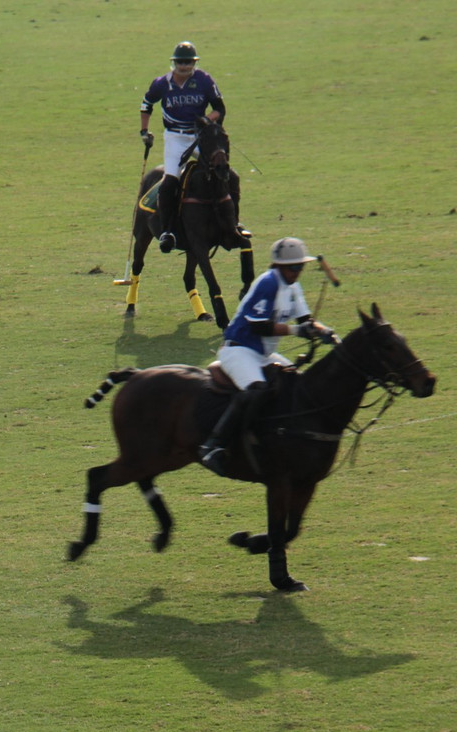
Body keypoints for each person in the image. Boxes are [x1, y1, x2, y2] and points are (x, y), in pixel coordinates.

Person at [199, 238, 336, 476]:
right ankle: (213, 445)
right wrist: (296, 331)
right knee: (257, 389)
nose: (297, 272)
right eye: (293, 267)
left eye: (300, 267)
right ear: (280, 266)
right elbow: (258, 326)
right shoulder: (268, 283)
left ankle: (280, 435)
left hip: (262, 353)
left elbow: (306, 321)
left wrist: (327, 333)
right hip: (238, 348)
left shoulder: (293, 288)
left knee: (297, 384)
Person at [139, 41, 249, 253]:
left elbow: (219, 108)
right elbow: (146, 104)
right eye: (180, 62)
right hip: (175, 138)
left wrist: (206, 121)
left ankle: (234, 223)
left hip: (200, 137)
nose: (184, 66)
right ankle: (167, 231)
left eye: (188, 62)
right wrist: (144, 131)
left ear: (194, 63)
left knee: (228, 175)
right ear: (174, 63)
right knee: (170, 181)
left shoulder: (204, 81)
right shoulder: (162, 83)